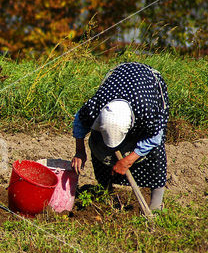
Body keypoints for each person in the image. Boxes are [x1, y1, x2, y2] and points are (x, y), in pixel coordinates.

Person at [71, 62, 169, 210]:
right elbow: (80, 121)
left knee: (155, 152)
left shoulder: (148, 112)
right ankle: (106, 193)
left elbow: (155, 137)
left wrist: (128, 161)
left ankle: (155, 206)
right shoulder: (95, 106)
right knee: (98, 147)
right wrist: (79, 151)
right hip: (119, 77)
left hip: (147, 84)